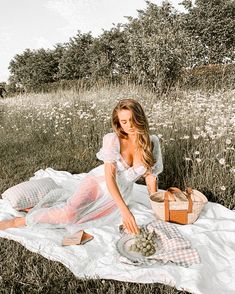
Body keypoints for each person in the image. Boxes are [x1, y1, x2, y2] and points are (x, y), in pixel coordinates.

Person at [0, 99, 163, 234]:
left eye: (132, 119)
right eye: (124, 121)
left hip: (122, 193)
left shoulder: (152, 142)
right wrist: (124, 211)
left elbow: (150, 177)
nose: (129, 125)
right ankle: (17, 221)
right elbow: (109, 178)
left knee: (88, 220)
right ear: (119, 123)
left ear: (140, 117)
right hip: (99, 184)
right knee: (69, 216)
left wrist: (156, 206)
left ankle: (40, 211)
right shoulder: (112, 139)